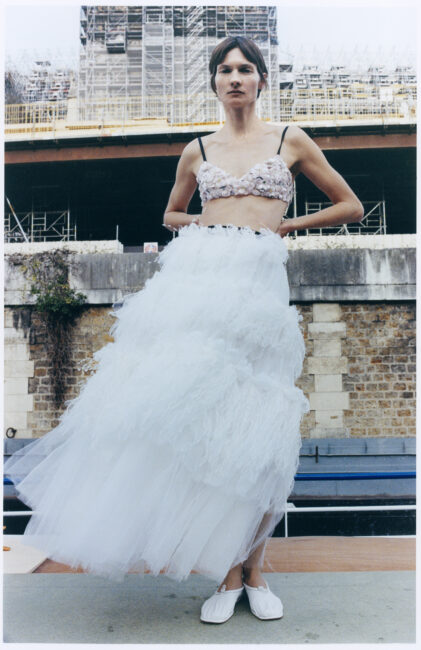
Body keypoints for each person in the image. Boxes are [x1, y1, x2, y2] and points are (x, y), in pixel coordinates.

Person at [4, 36, 363, 626]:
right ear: (215, 83)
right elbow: (170, 215)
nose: (235, 78)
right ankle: (227, 573)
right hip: (199, 284)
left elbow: (350, 205)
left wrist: (285, 226)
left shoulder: (289, 140)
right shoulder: (197, 149)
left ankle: (255, 571)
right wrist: (209, 225)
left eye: (245, 68)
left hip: (260, 288)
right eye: (225, 70)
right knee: (206, 428)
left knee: (262, 433)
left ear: (261, 79)